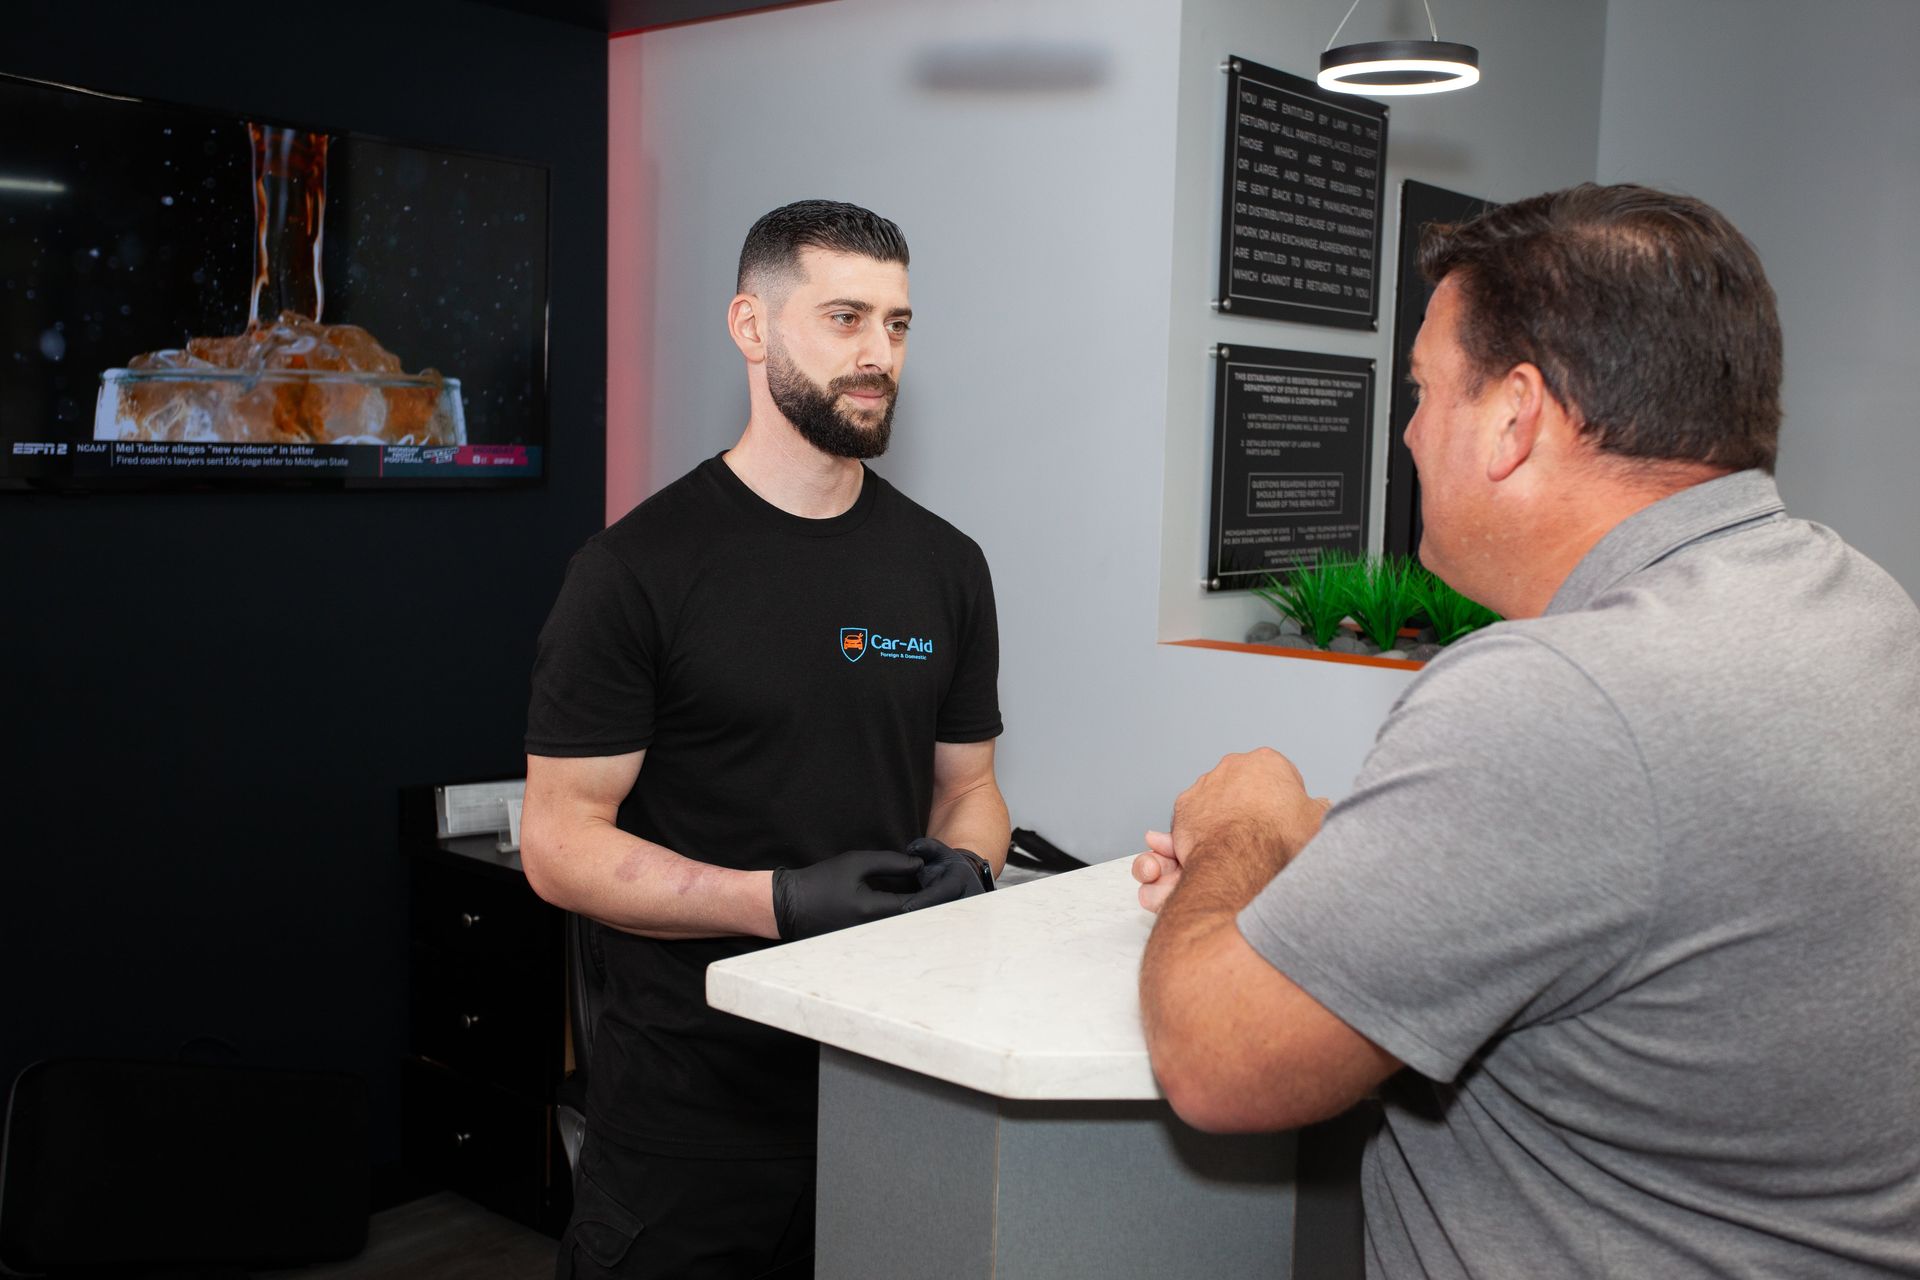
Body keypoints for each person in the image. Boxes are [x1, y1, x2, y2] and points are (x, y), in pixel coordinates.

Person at [1134, 183, 1920, 1278]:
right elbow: (1625, 869)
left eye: (1420, 391)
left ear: (1515, 415)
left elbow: (1215, 1060)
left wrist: (1242, 828)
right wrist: (1332, 843)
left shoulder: (1560, 693)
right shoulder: (1856, 600)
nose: (1407, 433)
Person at [522, 200, 1010, 1279]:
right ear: (751, 324)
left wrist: (968, 864)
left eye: (898, 323)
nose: (878, 354)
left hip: (889, 1084)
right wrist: (776, 901)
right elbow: (557, 844)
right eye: (844, 318)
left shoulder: (945, 564)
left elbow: (970, 784)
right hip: (690, 1113)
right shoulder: (635, 570)